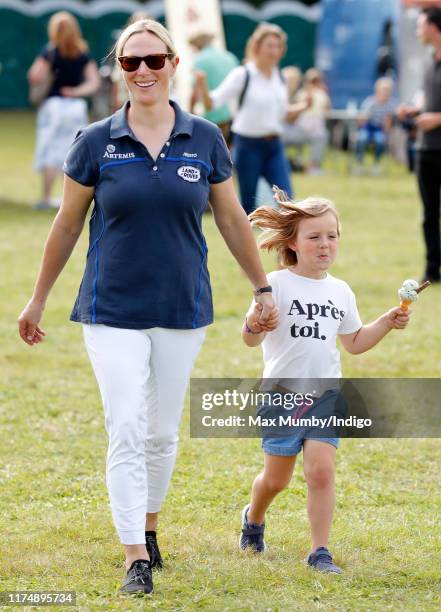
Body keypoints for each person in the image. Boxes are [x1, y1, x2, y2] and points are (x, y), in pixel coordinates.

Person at [18, 18, 277, 596]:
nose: (141, 72)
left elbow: (233, 219)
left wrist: (263, 288)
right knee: (127, 425)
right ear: (118, 70)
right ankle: (135, 553)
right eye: (130, 62)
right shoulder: (95, 140)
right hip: (110, 307)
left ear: (173, 66)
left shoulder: (206, 137)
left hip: (183, 307)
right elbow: (66, 224)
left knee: (161, 432)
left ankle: (151, 527)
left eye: (153, 61)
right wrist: (38, 299)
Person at [239, 188, 411, 573]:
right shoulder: (276, 283)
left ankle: (319, 551)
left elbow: (353, 343)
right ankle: (254, 517)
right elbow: (250, 338)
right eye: (314, 236)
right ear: (293, 243)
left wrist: (385, 322)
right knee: (277, 478)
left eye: (331, 236)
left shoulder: (340, 291)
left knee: (321, 470)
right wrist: (255, 322)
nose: (324, 244)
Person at [195, 23, 310, 215]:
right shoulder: (243, 74)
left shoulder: (279, 78)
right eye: (269, 45)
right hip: (248, 147)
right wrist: (202, 85)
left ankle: (288, 243)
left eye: (278, 46)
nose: (274, 51)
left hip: (274, 146)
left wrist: (303, 106)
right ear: (257, 47)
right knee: (248, 206)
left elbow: (282, 113)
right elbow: (211, 103)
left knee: (288, 203)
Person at [27, 11, 100, 209]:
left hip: (54, 107)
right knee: (74, 153)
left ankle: (46, 197)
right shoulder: (82, 53)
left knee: (51, 151)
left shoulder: (50, 51)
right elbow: (94, 82)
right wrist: (75, 91)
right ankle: (73, 201)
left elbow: (34, 76)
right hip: (76, 107)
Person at [397, 7, 441, 283]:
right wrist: (414, 110)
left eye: (421, 25)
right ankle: (432, 269)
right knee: (429, 214)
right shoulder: (430, 61)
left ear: (434, 27)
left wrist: (438, 119)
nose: (417, 30)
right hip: (427, 149)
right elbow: (428, 99)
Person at [189, 32, 239, 146]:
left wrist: (190, 112)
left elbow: (196, 91)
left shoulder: (200, 60)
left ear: (197, 45)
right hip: (234, 113)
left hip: (214, 114)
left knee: (215, 152)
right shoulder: (229, 56)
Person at [283, 68, 330, 175]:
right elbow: (290, 116)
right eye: (312, 80)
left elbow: (327, 111)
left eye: (316, 80)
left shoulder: (323, 95)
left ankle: (312, 167)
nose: (314, 83)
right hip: (299, 130)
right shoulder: (300, 95)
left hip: (316, 132)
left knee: (321, 136)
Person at [354, 77, 396, 175]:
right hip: (368, 127)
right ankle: (359, 163)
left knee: (380, 141)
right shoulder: (370, 102)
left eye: (387, 91)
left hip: (379, 129)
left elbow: (389, 124)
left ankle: (376, 164)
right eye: (383, 90)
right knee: (361, 139)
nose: (385, 93)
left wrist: (387, 129)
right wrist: (363, 120)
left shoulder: (390, 105)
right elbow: (361, 119)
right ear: (378, 90)